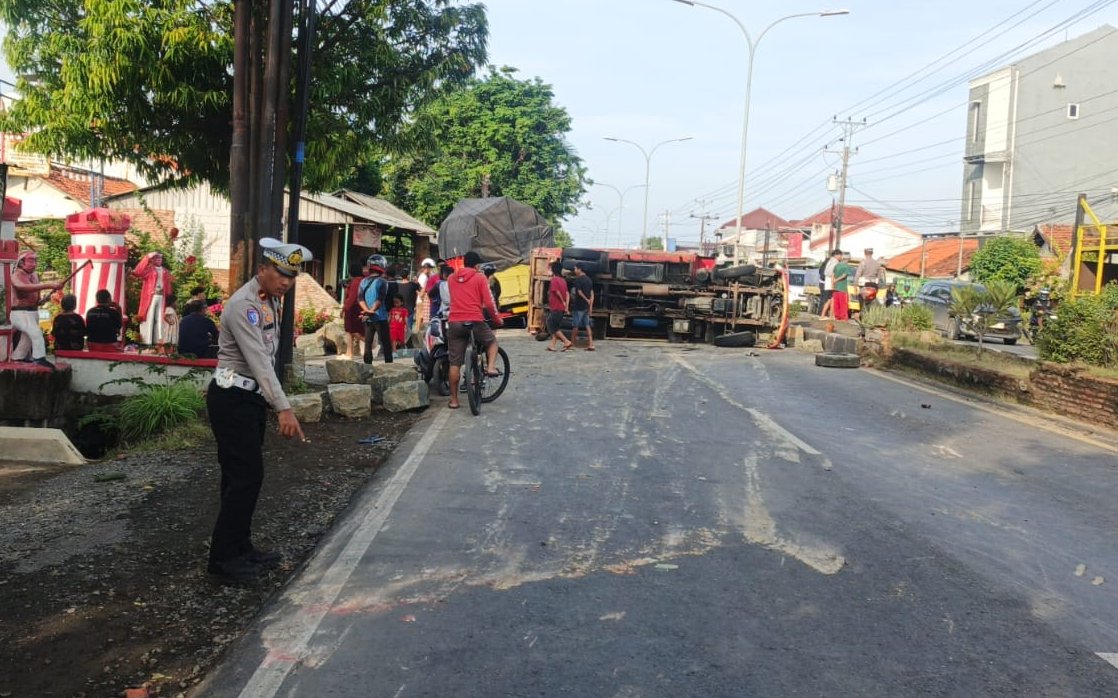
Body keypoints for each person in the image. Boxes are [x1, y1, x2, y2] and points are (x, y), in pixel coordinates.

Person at [206, 237, 310, 584]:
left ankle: (240, 547)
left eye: (292, 276)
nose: (287, 282)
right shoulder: (243, 306)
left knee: (241, 477)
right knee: (246, 477)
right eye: (281, 274)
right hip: (231, 396)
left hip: (246, 398)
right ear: (262, 269)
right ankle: (222, 561)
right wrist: (284, 407)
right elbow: (260, 363)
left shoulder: (268, 301)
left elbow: (267, 360)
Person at [445, 251, 503, 410]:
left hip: (455, 322)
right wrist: (497, 320)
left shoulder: (451, 278)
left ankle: (454, 400)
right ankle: (490, 367)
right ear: (477, 265)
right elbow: (490, 304)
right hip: (475, 320)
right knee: (491, 341)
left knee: (454, 363)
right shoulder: (480, 278)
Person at [10, 250, 63, 368]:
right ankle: (39, 358)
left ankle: (18, 356)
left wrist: (42, 300)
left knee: (27, 337)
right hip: (19, 312)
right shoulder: (16, 275)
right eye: (31, 260)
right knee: (36, 333)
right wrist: (50, 285)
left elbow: (34, 295)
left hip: (32, 311)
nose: (34, 263)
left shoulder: (34, 275)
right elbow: (22, 287)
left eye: (35, 260)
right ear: (21, 262)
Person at [133, 251, 174, 346]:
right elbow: (137, 272)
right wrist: (146, 257)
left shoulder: (165, 271)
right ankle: (147, 340)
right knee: (149, 316)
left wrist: (169, 299)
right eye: (156, 258)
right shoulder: (149, 270)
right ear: (153, 260)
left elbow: (169, 286)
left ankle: (159, 340)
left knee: (161, 318)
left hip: (162, 296)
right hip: (151, 295)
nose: (159, 260)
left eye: (160, 258)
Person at [360, 254, 392, 364]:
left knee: (368, 343)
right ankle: (389, 367)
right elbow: (380, 299)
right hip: (380, 317)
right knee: (386, 344)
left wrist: (367, 311)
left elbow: (360, 299)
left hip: (368, 317)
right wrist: (372, 310)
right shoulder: (382, 282)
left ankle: (367, 367)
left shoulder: (363, 281)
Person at [341, 261, 366, 359]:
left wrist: (344, 308)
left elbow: (352, 297)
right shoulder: (363, 280)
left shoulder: (356, 282)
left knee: (351, 331)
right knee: (353, 331)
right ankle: (349, 352)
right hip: (360, 307)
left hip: (353, 309)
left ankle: (370, 344)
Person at [545, 260, 572, 352]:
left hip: (556, 307)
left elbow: (556, 292)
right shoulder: (563, 281)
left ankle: (566, 341)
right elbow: (567, 293)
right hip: (561, 308)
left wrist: (562, 301)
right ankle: (552, 345)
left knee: (552, 326)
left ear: (553, 270)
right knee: (555, 326)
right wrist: (566, 305)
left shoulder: (554, 280)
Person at [568, 262, 596, 351]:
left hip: (579, 306)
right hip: (586, 307)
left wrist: (586, 300)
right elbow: (592, 293)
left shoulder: (578, 280)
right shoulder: (589, 280)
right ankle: (591, 344)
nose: (574, 270)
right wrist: (590, 305)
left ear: (580, 269)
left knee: (575, 325)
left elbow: (579, 292)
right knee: (587, 325)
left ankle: (572, 344)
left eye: (575, 268)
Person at [853, 247, 885, 317]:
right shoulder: (877, 263)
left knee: (860, 298)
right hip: (874, 285)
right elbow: (880, 277)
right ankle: (871, 314)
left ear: (865, 253)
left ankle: (859, 314)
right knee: (872, 300)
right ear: (872, 253)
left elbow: (858, 274)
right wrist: (879, 286)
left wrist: (855, 285)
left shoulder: (863, 262)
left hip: (865, 285)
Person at [397, 269, 420, 340]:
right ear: (408, 276)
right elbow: (419, 287)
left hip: (399, 310)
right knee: (408, 328)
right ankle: (406, 342)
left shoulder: (397, 285)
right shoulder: (412, 285)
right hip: (409, 310)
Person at [818, 249, 841, 319]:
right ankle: (826, 315)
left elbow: (822, 271)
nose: (841, 256)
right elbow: (830, 272)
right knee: (830, 298)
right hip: (829, 281)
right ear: (836, 255)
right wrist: (834, 280)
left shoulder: (829, 260)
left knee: (828, 298)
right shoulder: (835, 261)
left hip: (824, 281)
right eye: (840, 255)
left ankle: (825, 315)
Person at [832, 251, 852, 321]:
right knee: (843, 304)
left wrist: (833, 283)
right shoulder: (846, 266)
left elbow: (833, 275)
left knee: (836, 304)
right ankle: (843, 318)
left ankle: (837, 317)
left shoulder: (837, 265)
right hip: (842, 288)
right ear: (848, 259)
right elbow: (844, 275)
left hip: (835, 288)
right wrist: (836, 280)